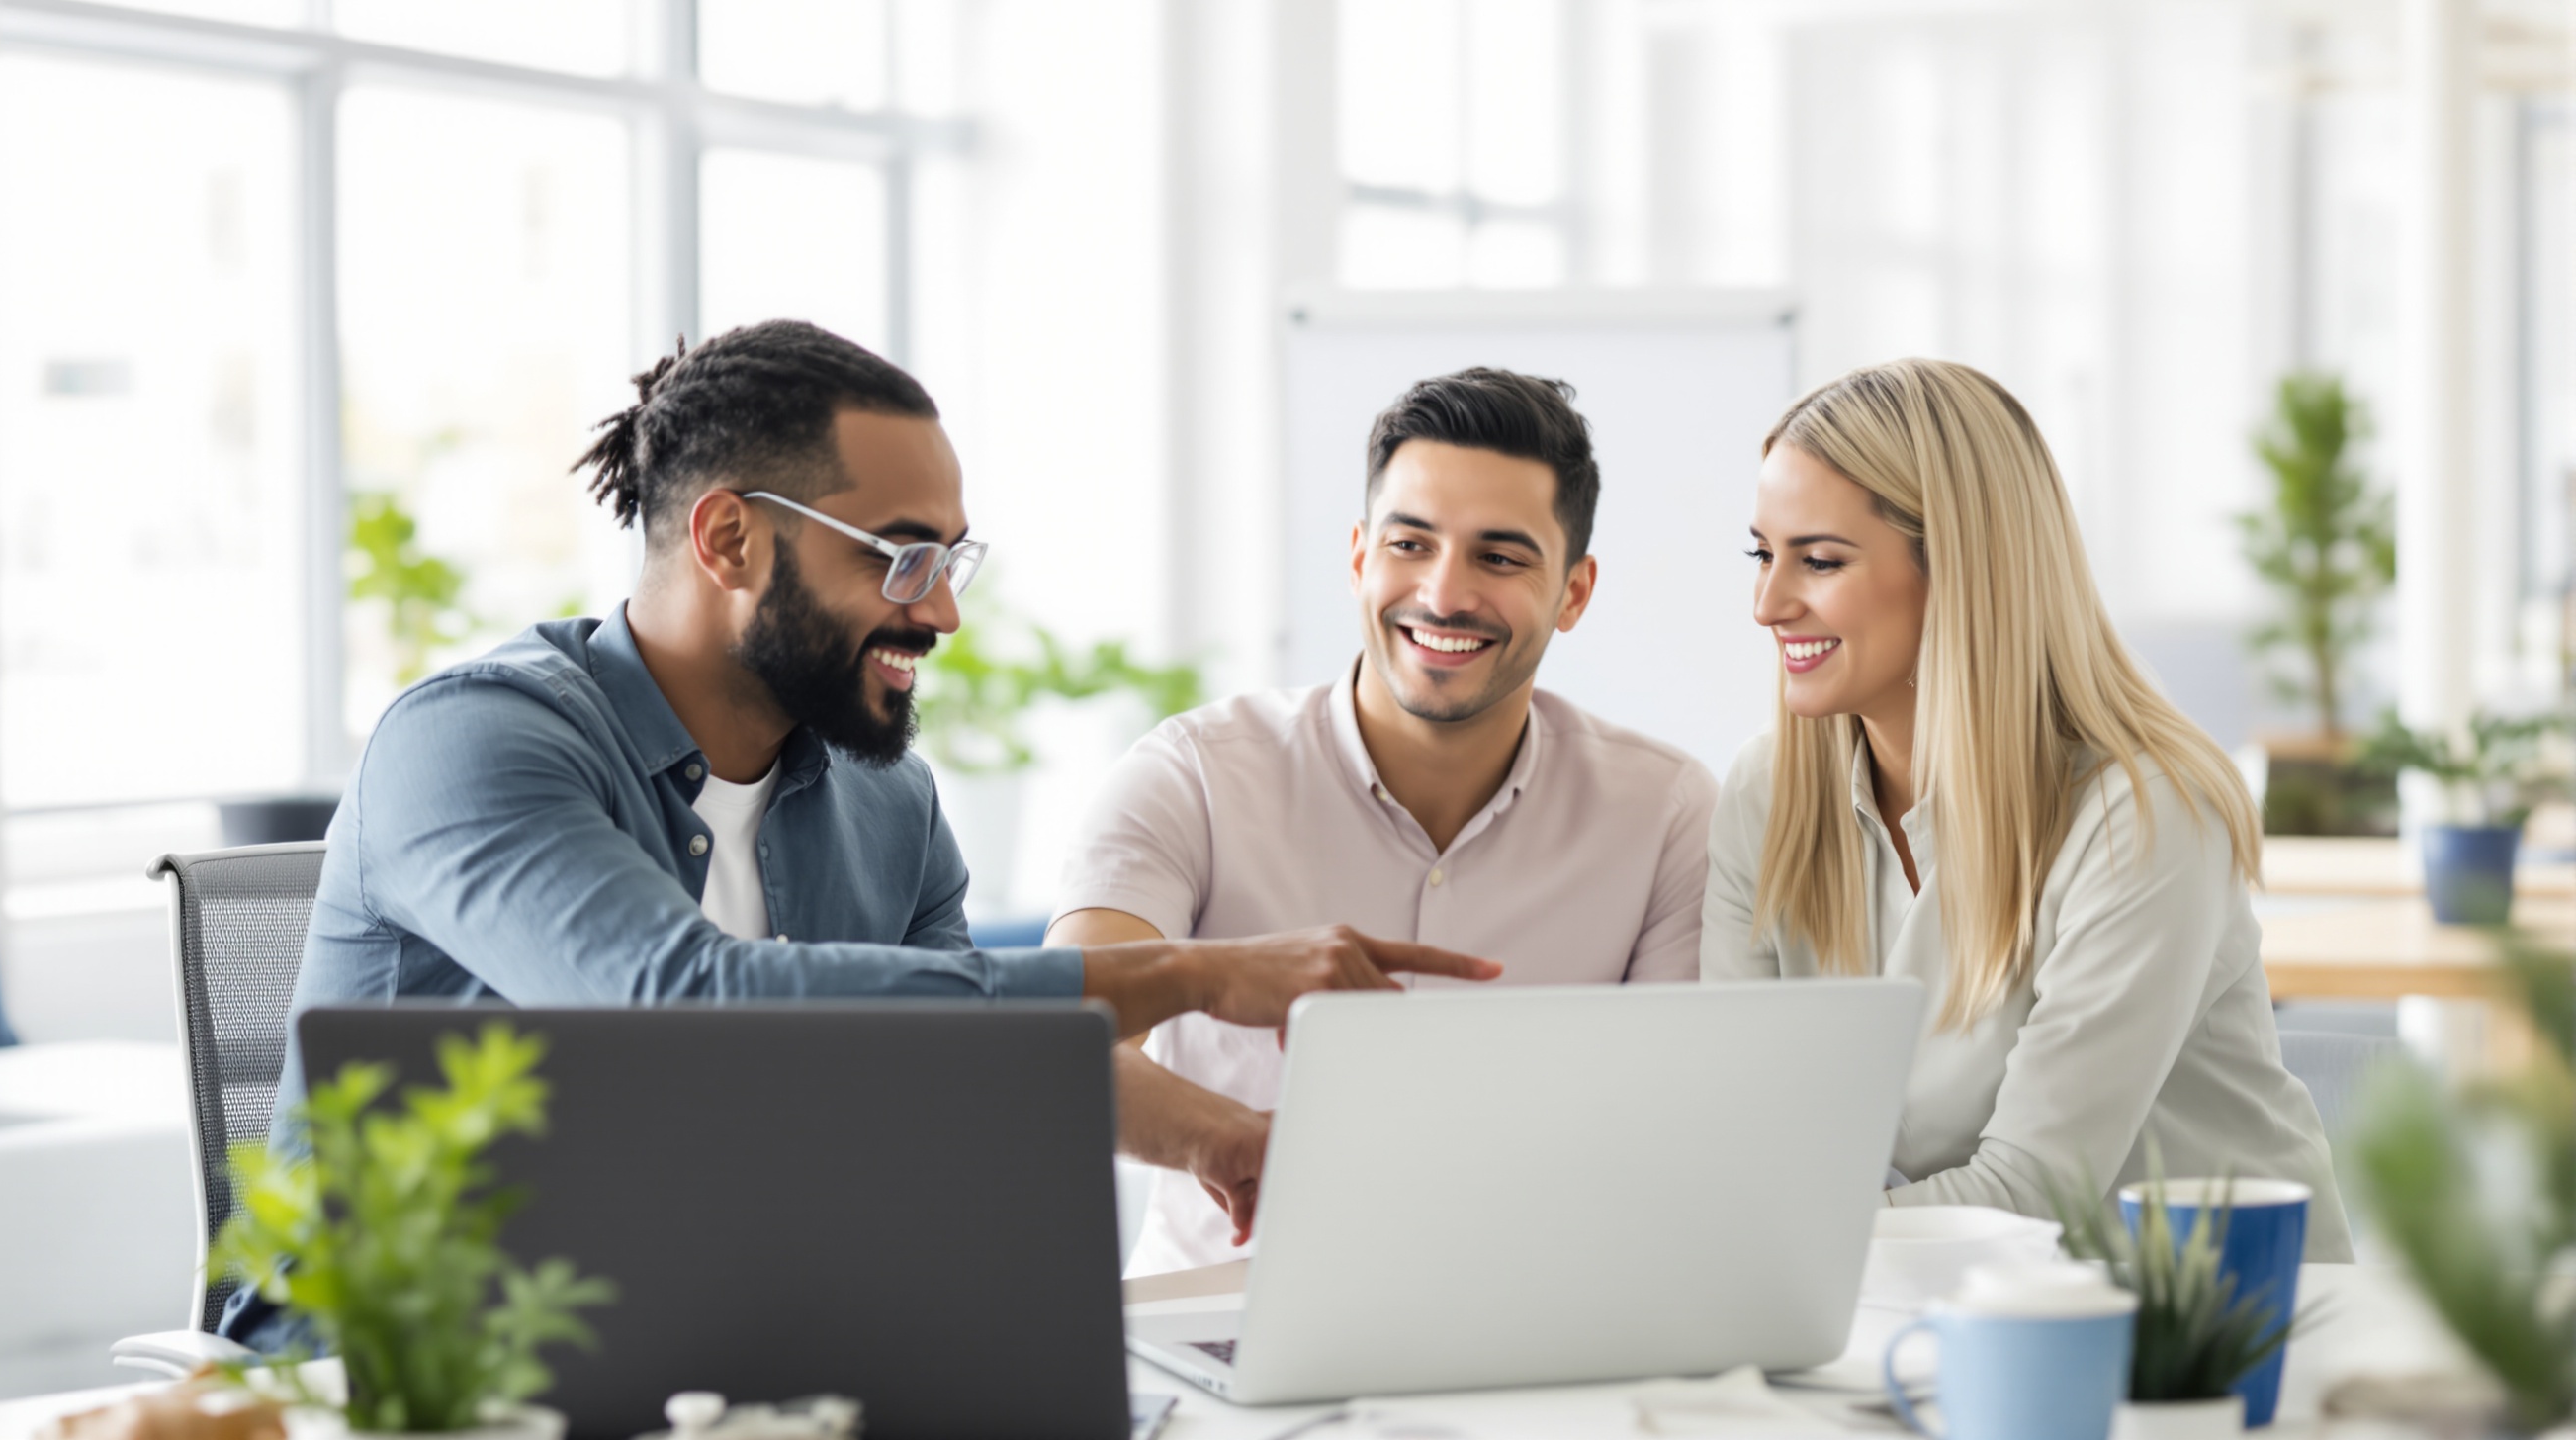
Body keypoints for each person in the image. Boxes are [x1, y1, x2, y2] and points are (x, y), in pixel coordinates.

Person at [236, 322, 1498, 1339]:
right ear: (729, 537)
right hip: (396, 1365)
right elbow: (687, 1005)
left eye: (952, 560)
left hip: (700, 1339)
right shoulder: (476, 743)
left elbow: (962, 1045)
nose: (942, 612)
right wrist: (1193, 973)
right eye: (899, 561)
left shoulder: (883, 795)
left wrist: (1220, 1137)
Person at [1048, 367, 1721, 1276]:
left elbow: (1675, 1121)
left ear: (1574, 591)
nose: (1444, 594)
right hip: (1219, 1331)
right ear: (1361, 555)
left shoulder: (1666, 811)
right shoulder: (1191, 776)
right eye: (1412, 543)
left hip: (1529, 1325)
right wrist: (1230, 1134)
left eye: (1501, 556)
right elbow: (1049, 1046)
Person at [1704, 358, 2352, 1261]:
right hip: (1936, 1312)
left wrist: (1740, 1241)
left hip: (2212, 1338)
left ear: (1962, 571)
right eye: (1761, 554)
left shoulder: (2146, 811)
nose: (1768, 603)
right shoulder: (1764, 793)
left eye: (1818, 560)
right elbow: (1742, 1133)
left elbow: (2027, 1195)